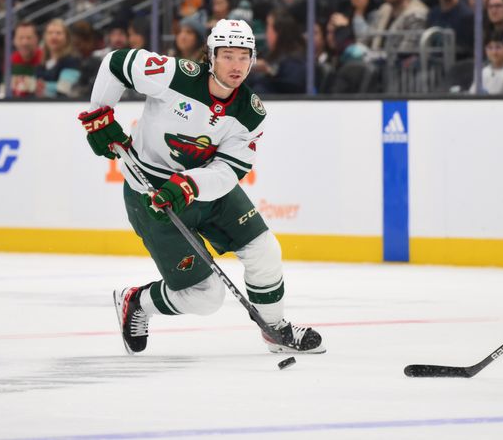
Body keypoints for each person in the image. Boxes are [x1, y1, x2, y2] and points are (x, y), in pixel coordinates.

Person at [77, 18, 324, 355]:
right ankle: (136, 302)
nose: (236, 65)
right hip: (149, 194)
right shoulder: (173, 74)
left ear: (253, 59)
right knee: (206, 297)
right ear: (211, 56)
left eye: (243, 56)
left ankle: (276, 330)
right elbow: (116, 63)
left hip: (204, 189)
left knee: (264, 250)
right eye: (227, 55)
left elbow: (230, 169)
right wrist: (100, 113)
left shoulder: (251, 114)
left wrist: (189, 185)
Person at [35, 18, 81, 98]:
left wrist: (39, 86)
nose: (54, 36)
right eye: (50, 33)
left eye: (58, 33)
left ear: (67, 38)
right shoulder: (42, 63)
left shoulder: (72, 61)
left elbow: (65, 89)